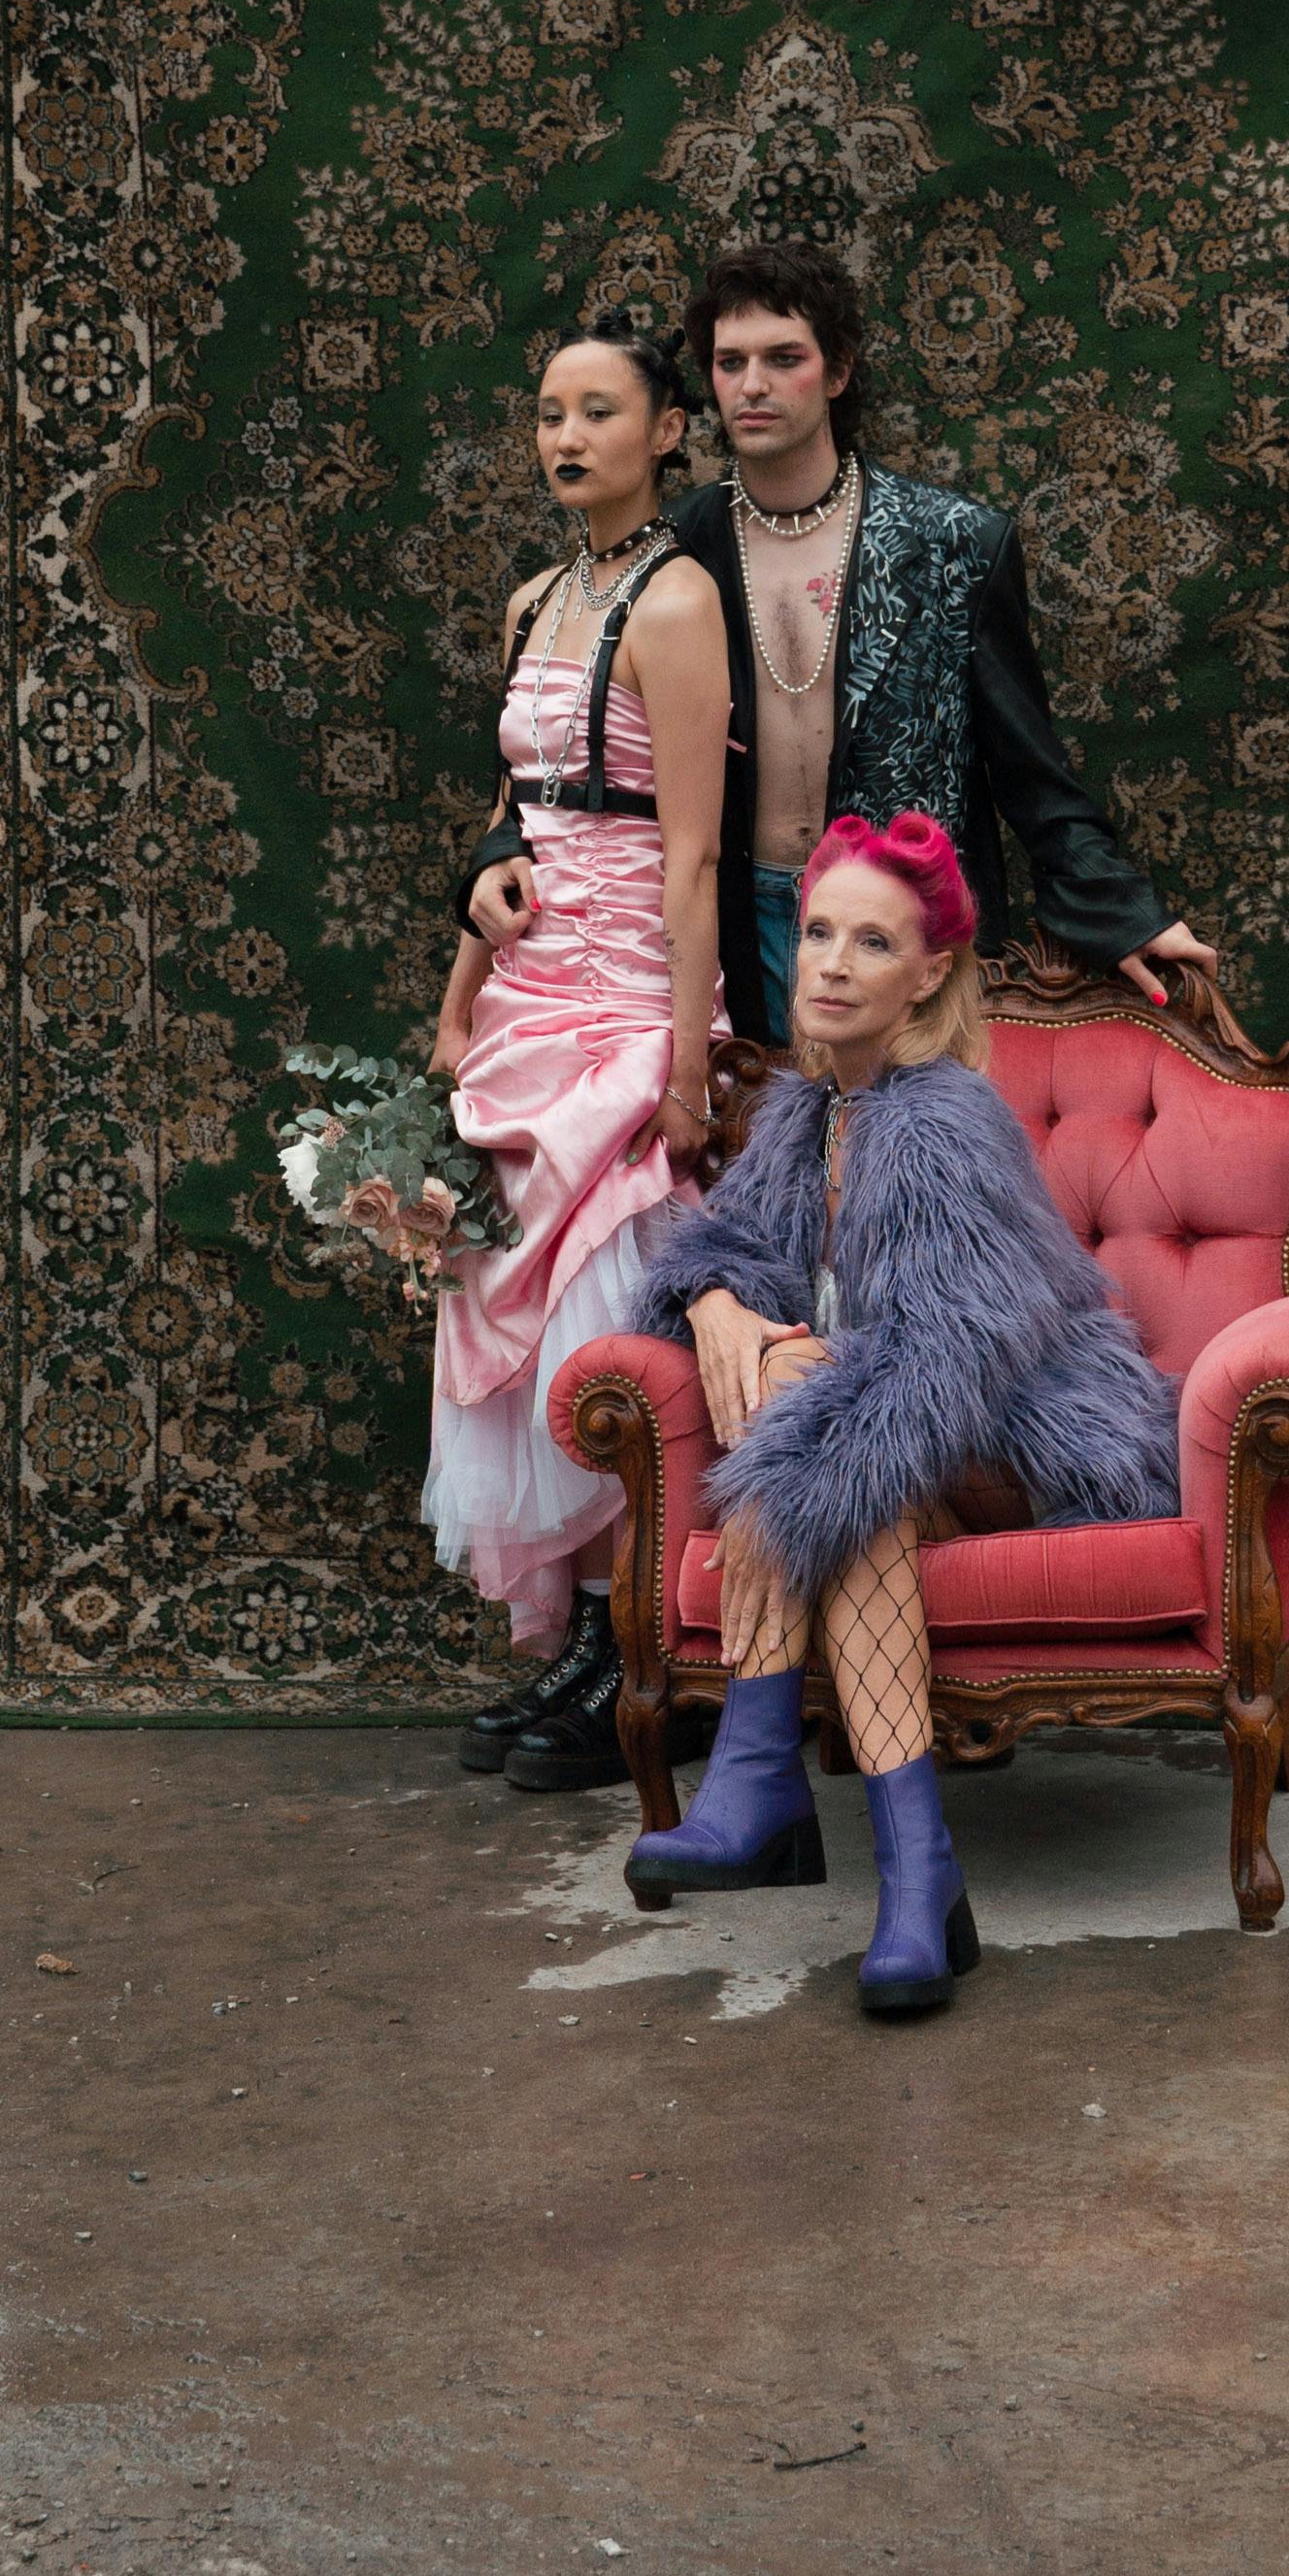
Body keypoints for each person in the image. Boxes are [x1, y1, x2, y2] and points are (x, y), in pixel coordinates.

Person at [620, 813, 1180, 2015]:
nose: (829, 963)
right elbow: (728, 1252)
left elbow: (951, 1359)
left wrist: (797, 1387)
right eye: (819, 931)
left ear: (928, 975)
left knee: (834, 1438)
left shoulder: (942, 1121)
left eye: (871, 944)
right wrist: (715, 1302)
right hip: (918, 1444)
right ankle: (917, 1882)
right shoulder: (804, 1114)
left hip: (1034, 1444)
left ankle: (762, 1785)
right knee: (837, 1455)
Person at [468, 233, 1214, 1051]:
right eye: (729, 361)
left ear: (839, 369)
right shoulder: (669, 557)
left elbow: (1035, 779)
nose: (752, 385)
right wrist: (502, 848)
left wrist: (1123, 915)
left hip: (897, 936)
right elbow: (559, 738)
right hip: (726, 935)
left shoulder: (956, 547)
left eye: (783, 357)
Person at [423, 321, 729, 1794]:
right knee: (510, 1309)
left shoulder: (676, 604)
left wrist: (680, 1055)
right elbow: (511, 815)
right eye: (548, 410)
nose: (566, 434)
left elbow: (690, 854)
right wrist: (458, 982)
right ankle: (582, 1645)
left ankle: (643, 1657)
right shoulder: (534, 596)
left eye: (599, 409)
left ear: (665, 430)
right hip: (529, 990)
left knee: (603, 1320)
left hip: (623, 1002)